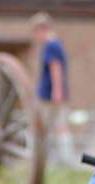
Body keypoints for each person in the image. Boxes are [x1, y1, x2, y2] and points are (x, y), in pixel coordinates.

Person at [31, 12, 74, 165]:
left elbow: (55, 68)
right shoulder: (57, 44)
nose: (35, 37)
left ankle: (52, 161)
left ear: (41, 29)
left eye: (35, 32)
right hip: (54, 93)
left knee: (50, 127)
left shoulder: (51, 45)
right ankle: (60, 161)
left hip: (49, 95)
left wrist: (57, 91)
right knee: (59, 126)